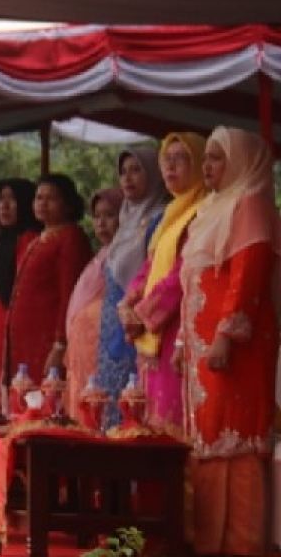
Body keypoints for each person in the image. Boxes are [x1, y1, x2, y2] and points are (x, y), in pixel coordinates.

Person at [178, 127, 278, 556]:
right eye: (209, 158)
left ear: (240, 162)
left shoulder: (250, 203)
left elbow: (248, 274)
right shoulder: (213, 208)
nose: (208, 167)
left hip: (235, 349)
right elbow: (194, 281)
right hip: (208, 348)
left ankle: (238, 544)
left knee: (233, 442)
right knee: (208, 441)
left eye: (217, 159)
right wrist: (188, 338)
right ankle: (206, 541)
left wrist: (224, 336)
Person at [119, 132, 206, 433]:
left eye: (179, 159)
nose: (170, 167)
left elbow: (182, 274)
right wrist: (128, 302)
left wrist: (142, 314)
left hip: (175, 329)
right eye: (166, 160)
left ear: (197, 164)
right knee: (148, 419)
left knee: (170, 419)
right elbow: (150, 265)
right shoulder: (172, 212)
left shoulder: (201, 212)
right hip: (152, 332)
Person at [96, 147, 167, 426]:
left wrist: (135, 313)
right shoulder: (126, 219)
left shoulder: (159, 217)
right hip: (113, 324)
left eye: (136, 170)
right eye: (123, 172)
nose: (128, 178)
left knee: (132, 409)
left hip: (138, 325)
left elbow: (154, 274)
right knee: (108, 405)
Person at [6, 174, 93, 384]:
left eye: (51, 198)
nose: (42, 203)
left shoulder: (70, 237)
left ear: (68, 205)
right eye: (38, 198)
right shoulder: (37, 240)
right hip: (25, 337)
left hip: (47, 337)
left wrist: (60, 344)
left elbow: (69, 292)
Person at [0, 178, 40, 410]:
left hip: (18, 336)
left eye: (11, 199)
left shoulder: (31, 240)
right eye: (0, 200)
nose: (4, 206)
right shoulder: (0, 243)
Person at [63, 187, 122, 417]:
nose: (101, 223)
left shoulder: (123, 255)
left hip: (103, 348)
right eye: (97, 217)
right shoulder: (101, 256)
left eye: (109, 215)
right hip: (83, 349)